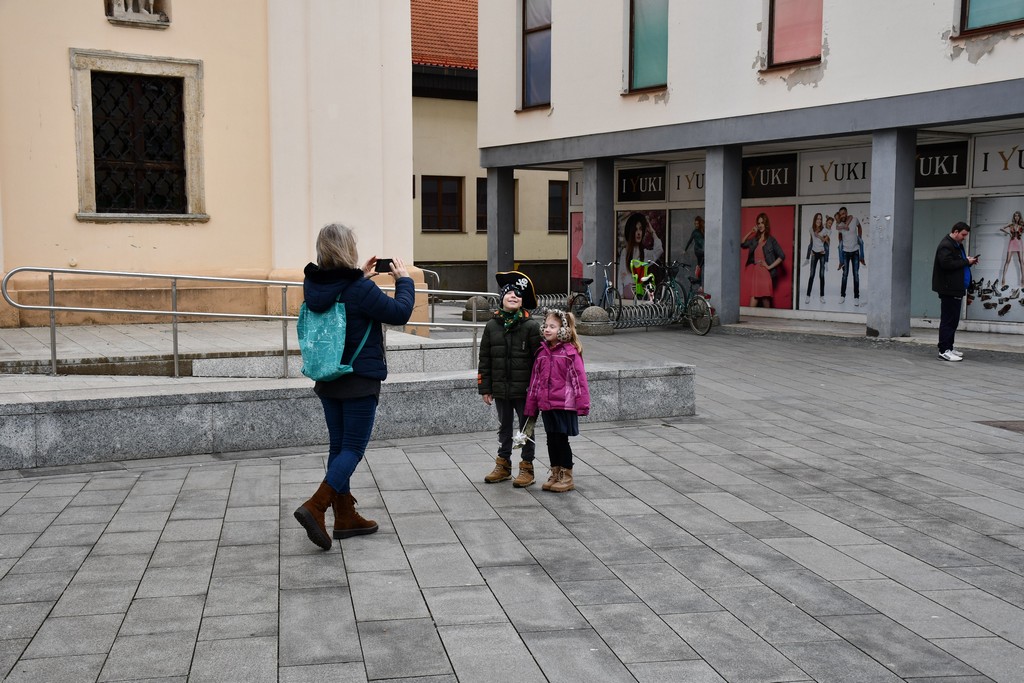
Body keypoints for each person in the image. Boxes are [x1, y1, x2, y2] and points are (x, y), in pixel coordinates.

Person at [293, 223, 415, 550]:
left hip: (327, 376)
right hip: (359, 379)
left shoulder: (313, 284)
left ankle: (345, 516)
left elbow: (341, 291)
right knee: (353, 449)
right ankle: (316, 505)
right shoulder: (360, 290)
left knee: (338, 447)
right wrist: (404, 280)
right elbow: (400, 312)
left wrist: (358, 275)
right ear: (349, 249)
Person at [478, 271, 543, 487]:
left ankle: (527, 467)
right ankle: (503, 464)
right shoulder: (492, 326)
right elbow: (485, 359)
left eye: (518, 294)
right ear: (501, 298)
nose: (513, 296)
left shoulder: (531, 326)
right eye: (509, 293)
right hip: (501, 388)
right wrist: (485, 387)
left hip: (525, 391)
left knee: (526, 428)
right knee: (504, 427)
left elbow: (539, 361)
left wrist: (537, 389)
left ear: (523, 301)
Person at [525, 309, 590, 493]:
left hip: (563, 405)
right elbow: (535, 381)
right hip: (547, 404)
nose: (547, 329)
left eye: (552, 326)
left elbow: (579, 379)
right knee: (551, 439)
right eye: (546, 326)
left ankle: (566, 475)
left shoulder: (569, 353)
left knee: (561, 439)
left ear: (562, 330)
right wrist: (531, 405)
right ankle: (555, 472)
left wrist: (582, 403)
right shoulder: (542, 353)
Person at [932, 221, 979, 362]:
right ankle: (944, 350)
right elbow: (946, 264)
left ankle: (949, 347)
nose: (964, 237)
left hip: (956, 288)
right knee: (948, 320)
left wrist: (968, 261)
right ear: (956, 231)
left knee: (953, 321)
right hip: (949, 289)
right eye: (963, 235)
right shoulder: (946, 245)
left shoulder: (957, 245)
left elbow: (957, 262)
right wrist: (966, 262)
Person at [741, 212, 785, 308]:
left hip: (765, 274)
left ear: (766, 224)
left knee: (766, 304)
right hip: (756, 273)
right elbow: (742, 243)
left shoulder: (771, 240)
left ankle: (768, 318)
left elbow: (782, 256)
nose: (760, 225)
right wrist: (751, 232)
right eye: (759, 223)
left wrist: (769, 267)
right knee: (751, 307)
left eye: (762, 223)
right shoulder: (755, 239)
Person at [618, 212, 663, 299]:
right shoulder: (625, 252)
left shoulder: (645, 253)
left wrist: (652, 231)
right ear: (632, 232)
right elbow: (621, 275)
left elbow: (659, 250)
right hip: (629, 292)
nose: (638, 233)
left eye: (640, 229)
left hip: (640, 293)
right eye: (636, 230)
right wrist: (621, 294)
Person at [835, 207, 863, 305]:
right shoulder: (840, 225)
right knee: (845, 275)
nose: (842, 215)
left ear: (846, 213)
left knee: (856, 275)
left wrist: (859, 237)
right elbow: (839, 234)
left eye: (843, 213)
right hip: (845, 252)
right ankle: (842, 296)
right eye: (840, 214)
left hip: (855, 252)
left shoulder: (854, 220)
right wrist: (840, 243)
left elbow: (859, 226)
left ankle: (856, 297)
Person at [804, 212, 830, 304]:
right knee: (811, 275)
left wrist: (818, 235)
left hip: (822, 254)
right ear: (815, 220)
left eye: (820, 219)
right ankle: (808, 296)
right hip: (814, 254)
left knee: (821, 275)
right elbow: (811, 239)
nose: (819, 220)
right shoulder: (811, 229)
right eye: (817, 219)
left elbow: (826, 241)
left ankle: (822, 296)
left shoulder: (824, 230)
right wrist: (811, 250)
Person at [998, 210, 1023, 289]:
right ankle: (1003, 278)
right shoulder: (1011, 224)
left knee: (1021, 261)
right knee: (1007, 261)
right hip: (1012, 242)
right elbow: (1001, 228)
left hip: (1019, 243)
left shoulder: (1022, 224)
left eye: (1018, 216)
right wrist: (1008, 233)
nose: (1016, 217)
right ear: (1014, 217)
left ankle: (1023, 279)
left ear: (1020, 217)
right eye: (1015, 216)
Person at [684, 215, 706, 282]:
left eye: (697, 224)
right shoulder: (694, 232)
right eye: (695, 224)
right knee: (705, 256)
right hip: (697, 250)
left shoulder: (702, 231)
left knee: (700, 265)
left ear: (700, 224)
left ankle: (699, 282)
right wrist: (685, 250)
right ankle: (698, 267)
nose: (696, 225)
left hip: (701, 249)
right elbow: (690, 241)